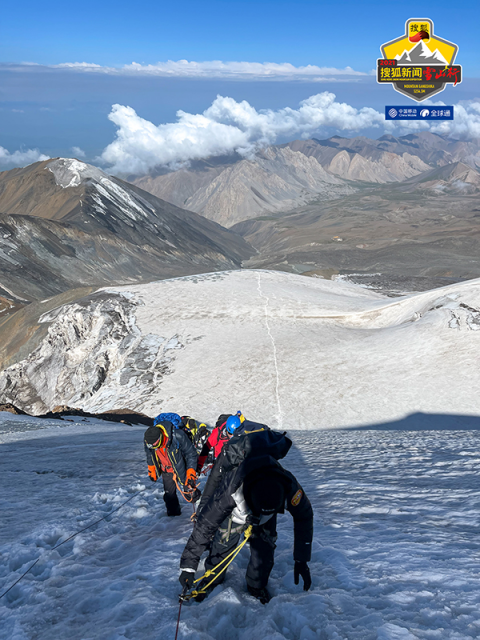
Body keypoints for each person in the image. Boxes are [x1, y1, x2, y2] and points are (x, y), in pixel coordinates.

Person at [179, 452, 313, 604]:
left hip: (267, 512)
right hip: (235, 514)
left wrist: (302, 560)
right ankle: (212, 579)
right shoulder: (230, 491)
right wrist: (188, 567)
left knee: (264, 549)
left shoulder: (290, 489)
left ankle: (256, 585)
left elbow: (304, 516)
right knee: (222, 544)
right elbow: (205, 525)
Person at [144, 415, 199, 516]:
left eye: (154, 445)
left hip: (182, 467)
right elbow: (149, 455)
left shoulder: (178, 436)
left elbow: (191, 453)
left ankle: (201, 511)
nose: (151, 447)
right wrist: (151, 468)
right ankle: (173, 517)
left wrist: (191, 471)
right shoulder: (149, 441)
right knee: (169, 495)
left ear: (160, 438)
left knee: (191, 495)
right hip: (167, 470)